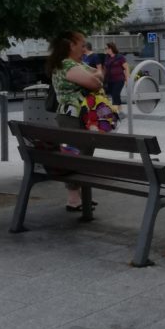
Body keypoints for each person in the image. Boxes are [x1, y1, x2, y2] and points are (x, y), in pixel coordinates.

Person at [47, 31, 105, 212]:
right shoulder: (67, 65)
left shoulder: (73, 64)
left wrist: (95, 76)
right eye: (81, 45)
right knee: (75, 156)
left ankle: (80, 197)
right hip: (73, 117)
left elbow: (98, 75)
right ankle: (73, 199)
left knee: (80, 155)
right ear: (71, 45)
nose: (84, 49)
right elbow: (96, 82)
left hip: (76, 116)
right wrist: (95, 76)